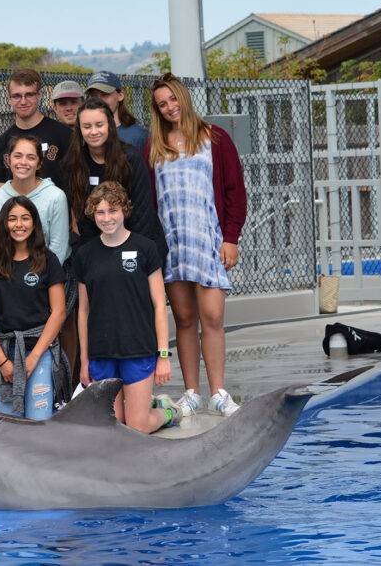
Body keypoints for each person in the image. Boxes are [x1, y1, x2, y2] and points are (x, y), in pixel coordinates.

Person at [147, 73, 247, 417]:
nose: (170, 107)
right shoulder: (154, 146)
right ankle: (192, 393)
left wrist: (231, 238)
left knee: (213, 316)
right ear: (157, 110)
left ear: (184, 99)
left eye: (173, 99)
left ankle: (219, 392)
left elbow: (235, 192)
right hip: (172, 244)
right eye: (163, 104)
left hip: (209, 242)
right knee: (185, 319)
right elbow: (149, 199)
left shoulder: (215, 139)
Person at [75, 182, 179, 433]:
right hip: (103, 351)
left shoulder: (145, 248)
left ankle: (168, 411)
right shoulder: (85, 254)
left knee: (137, 426)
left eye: (112, 210)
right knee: (115, 426)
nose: (107, 218)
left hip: (137, 348)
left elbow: (158, 305)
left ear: (124, 211)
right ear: (92, 214)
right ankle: (143, 404)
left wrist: (163, 356)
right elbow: (83, 311)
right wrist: (84, 360)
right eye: (100, 212)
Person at [0, 196, 69, 419]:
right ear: (4, 224)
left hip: (40, 350)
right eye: (13, 219)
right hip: (6, 351)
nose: (19, 224)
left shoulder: (48, 259)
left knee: (40, 419)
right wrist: (1, 361)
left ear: (34, 222)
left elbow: (58, 312)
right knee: (8, 424)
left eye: (25, 218)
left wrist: (35, 356)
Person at [64, 98, 167, 261]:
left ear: (110, 126)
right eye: (87, 126)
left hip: (137, 247)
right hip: (99, 249)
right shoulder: (75, 163)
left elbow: (142, 214)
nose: (93, 131)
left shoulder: (130, 158)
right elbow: (83, 217)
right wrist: (99, 257)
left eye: (99, 125)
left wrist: (128, 255)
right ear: (79, 129)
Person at [0, 135, 70, 264]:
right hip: (13, 269)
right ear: (8, 160)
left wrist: (41, 278)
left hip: (52, 270)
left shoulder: (56, 197)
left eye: (31, 157)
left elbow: (59, 248)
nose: (23, 162)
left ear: (39, 163)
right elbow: (3, 243)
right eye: (18, 156)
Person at [0, 68, 71, 190]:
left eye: (29, 94)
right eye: (17, 96)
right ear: (9, 98)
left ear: (40, 95)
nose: (23, 101)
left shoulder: (65, 135)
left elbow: (77, 180)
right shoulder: (1, 145)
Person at [85, 71, 150, 150]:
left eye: (105, 94)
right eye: (94, 96)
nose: (99, 100)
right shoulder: (86, 135)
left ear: (120, 95)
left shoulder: (139, 135)